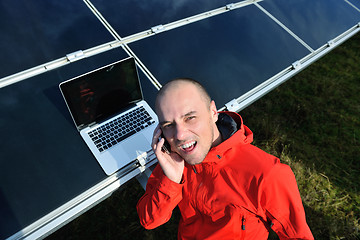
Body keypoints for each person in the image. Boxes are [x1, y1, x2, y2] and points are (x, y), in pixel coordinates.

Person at [137, 78, 313, 239]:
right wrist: (171, 180)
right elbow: (149, 220)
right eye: (168, 125)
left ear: (213, 112)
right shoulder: (177, 158)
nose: (180, 135)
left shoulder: (267, 174)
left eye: (190, 118)